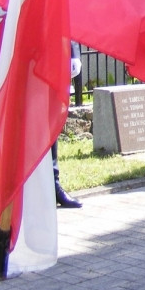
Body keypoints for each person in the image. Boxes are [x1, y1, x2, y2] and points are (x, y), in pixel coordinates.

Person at [51, 41, 83, 208]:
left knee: (50, 130)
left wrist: (74, 53)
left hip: (52, 65)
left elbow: (69, 20)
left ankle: (53, 185)